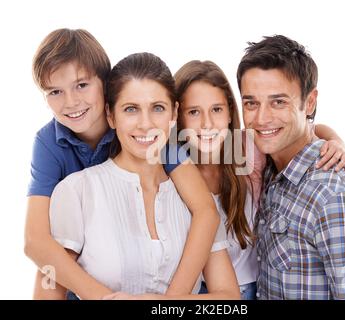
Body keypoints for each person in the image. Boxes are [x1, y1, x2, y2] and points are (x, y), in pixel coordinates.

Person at [24, 29, 220, 299]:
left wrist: (170, 302)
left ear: (104, 86)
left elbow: (206, 211)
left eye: (81, 85)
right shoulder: (49, 144)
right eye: (55, 91)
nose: (71, 102)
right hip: (82, 266)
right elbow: (37, 242)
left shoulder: (148, 137)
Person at [172, 60, 345, 300]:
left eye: (216, 109)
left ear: (229, 112)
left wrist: (336, 141)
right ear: (179, 117)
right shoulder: (171, 166)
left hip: (249, 287)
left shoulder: (248, 151)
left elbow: (304, 127)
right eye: (194, 112)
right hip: (192, 292)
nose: (206, 124)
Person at [237, 35, 345, 299]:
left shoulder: (338, 199)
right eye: (251, 103)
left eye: (278, 102)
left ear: (309, 102)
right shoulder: (265, 158)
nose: (261, 119)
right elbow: (196, 141)